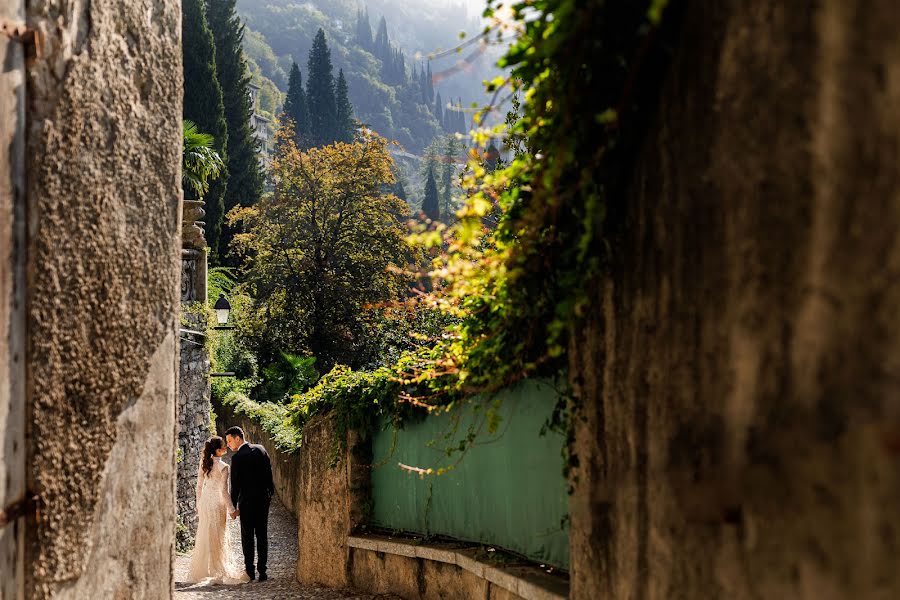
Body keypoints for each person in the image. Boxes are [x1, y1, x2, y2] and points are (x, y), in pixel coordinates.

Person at [185, 436, 250, 585]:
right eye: (223, 447)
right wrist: (232, 510)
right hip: (217, 504)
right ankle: (216, 568)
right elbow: (224, 491)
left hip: (205, 502)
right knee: (218, 536)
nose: (226, 448)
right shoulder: (224, 466)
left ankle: (204, 570)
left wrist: (198, 505)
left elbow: (199, 487)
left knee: (205, 535)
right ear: (218, 450)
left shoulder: (204, 463)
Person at [225, 426, 275, 582]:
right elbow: (269, 473)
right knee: (262, 535)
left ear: (238, 438)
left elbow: (235, 486)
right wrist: (269, 494)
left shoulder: (237, 458)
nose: (228, 444)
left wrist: (233, 507)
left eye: (229, 440)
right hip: (262, 500)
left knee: (247, 537)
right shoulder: (261, 449)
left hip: (246, 503)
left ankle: (250, 571)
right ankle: (263, 571)